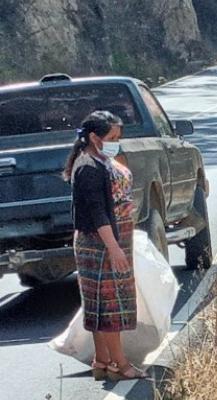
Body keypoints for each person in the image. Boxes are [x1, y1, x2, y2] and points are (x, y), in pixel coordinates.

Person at [64, 111, 147, 380]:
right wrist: (113, 247)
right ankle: (120, 364)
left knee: (99, 304)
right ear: (93, 137)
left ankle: (102, 361)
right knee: (109, 305)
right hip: (100, 242)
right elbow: (98, 212)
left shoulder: (99, 160)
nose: (116, 142)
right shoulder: (88, 166)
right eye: (111, 137)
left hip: (106, 239)